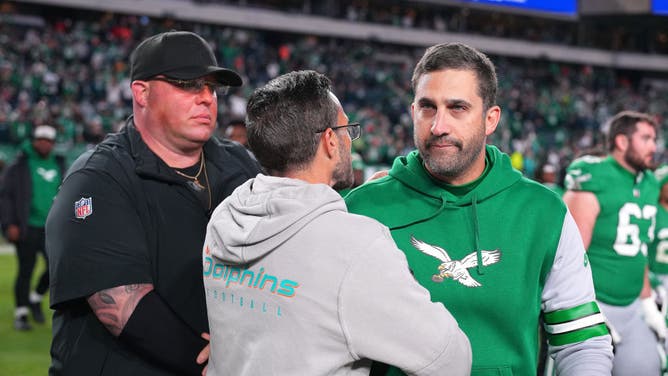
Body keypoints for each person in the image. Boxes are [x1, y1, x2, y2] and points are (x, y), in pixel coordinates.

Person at [344, 42, 613, 375]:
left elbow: (581, 340)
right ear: (413, 111)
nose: (438, 125)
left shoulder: (543, 213)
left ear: (490, 119)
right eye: (428, 107)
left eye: (457, 108)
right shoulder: (362, 209)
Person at [203, 70, 472, 375]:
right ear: (330, 140)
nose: (349, 140)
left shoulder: (223, 219)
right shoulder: (355, 246)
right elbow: (450, 358)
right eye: (347, 129)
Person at [45, 30, 262, 375]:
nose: (206, 97)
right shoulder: (98, 177)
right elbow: (122, 304)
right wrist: (214, 366)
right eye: (188, 84)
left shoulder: (243, 166)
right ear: (141, 92)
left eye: (211, 87)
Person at [563, 110, 662, 375]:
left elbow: (636, 249)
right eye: (646, 138)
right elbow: (567, 256)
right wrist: (583, 309)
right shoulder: (594, 176)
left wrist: (647, 301)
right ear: (622, 142)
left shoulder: (650, 182)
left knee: (648, 368)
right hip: (594, 303)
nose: (654, 146)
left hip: (632, 305)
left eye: (654, 139)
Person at [0, 125, 64, 331]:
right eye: (41, 139)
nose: (44, 143)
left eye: (48, 140)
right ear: (34, 140)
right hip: (27, 226)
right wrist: (9, 223)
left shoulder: (59, 165)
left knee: (56, 269)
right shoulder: (19, 166)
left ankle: (36, 298)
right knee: (25, 270)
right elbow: (6, 197)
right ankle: (21, 314)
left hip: (52, 228)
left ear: (53, 144)